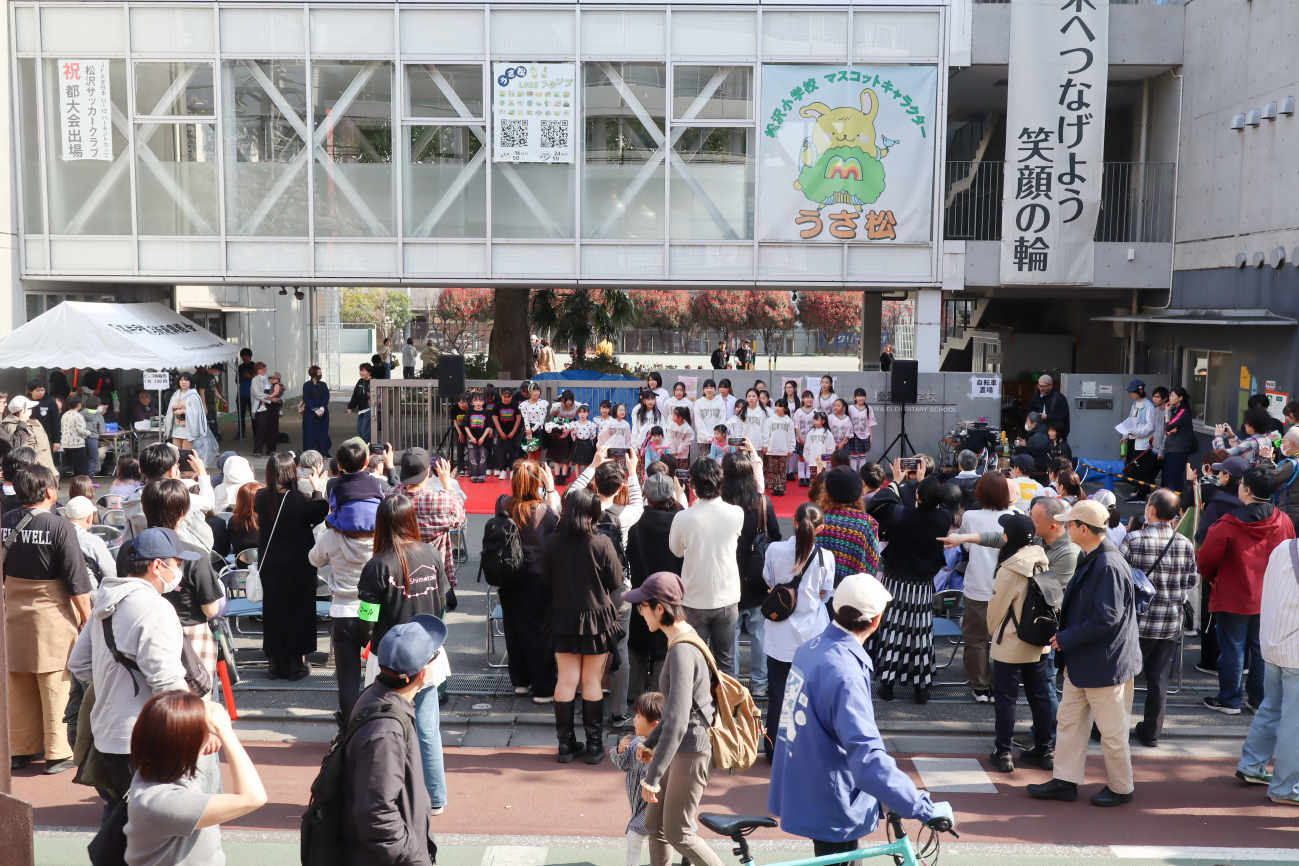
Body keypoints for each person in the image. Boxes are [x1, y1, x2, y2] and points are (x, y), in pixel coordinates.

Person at [768, 572, 953, 855]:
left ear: (835, 608)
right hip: (833, 795)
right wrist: (918, 805)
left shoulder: (811, 649)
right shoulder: (846, 672)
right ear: (877, 620)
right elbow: (866, 756)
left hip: (807, 782)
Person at [68, 528, 202, 803]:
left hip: (106, 734)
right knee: (152, 829)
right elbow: (167, 682)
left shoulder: (105, 602)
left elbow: (78, 663)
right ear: (157, 566)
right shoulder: (155, 608)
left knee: (120, 820)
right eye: (176, 563)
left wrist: (112, 683)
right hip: (144, 738)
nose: (179, 570)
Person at [1028, 500, 1141, 808]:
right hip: (1090, 659)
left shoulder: (1106, 564)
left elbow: (1107, 618)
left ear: (1083, 528)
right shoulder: (1098, 558)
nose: (1065, 528)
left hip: (1104, 661)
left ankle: (1121, 787)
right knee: (1070, 722)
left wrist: (1066, 638)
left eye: (1070, 524)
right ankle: (1065, 779)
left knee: (1111, 730)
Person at [358, 496, 452, 816]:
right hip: (428, 655)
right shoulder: (431, 554)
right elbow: (442, 602)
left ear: (381, 523)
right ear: (411, 520)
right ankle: (436, 797)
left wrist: (362, 642)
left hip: (390, 660)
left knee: (383, 728)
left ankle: (388, 795)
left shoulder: (378, 565)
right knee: (427, 732)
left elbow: (367, 619)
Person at [621, 572, 724, 866]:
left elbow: (678, 719)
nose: (639, 611)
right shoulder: (681, 641)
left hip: (692, 750)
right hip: (682, 747)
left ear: (660, 609)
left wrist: (652, 778)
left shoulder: (681, 651)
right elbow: (674, 714)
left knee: (680, 833)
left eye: (643, 606)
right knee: (656, 827)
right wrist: (651, 742)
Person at [3, 463, 91, 774]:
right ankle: (57, 751)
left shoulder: (5, 523)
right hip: (51, 614)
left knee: (17, 680)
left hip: (13, 613)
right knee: (56, 680)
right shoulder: (60, 527)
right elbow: (76, 581)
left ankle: (20, 748)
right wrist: (87, 618)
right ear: (51, 492)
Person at [341, 616, 442, 865]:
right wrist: (414, 857)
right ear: (423, 674)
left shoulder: (375, 699)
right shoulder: (387, 732)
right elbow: (377, 815)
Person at [124, 692, 267, 865]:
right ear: (186, 744)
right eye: (205, 730)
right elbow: (253, 798)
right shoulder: (163, 802)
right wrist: (226, 732)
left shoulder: (156, 769)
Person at [1198, 463, 1295, 714]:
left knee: (1232, 648)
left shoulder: (1228, 524)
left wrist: (1212, 578)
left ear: (1247, 490)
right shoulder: (1283, 521)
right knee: (1260, 650)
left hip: (1233, 595)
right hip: (1271, 596)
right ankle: (1258, 699)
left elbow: (1205, 560)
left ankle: (1230, 699)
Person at [543, 487, 624, 763]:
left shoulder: (552, 543)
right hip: (597, 618)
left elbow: (544, 579)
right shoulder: (601, 543)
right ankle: (593, 746)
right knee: (592, 680)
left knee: (566, 680)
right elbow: (616, 581)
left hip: (562, 616)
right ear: (592, 515)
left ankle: (565, 746)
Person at [1119, 488, 1199, 746]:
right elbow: (1189, 581)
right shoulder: (1185, 544)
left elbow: (1118, 579)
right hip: (1169, 622)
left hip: (1136, 622)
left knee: (1123, 676)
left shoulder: (1133, 540)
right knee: (1159, 678)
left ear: (1150, 510)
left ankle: (1113, 728)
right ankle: (1152, 732)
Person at [761, 502, 835, 761]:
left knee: (778, 694)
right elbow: (826, 594)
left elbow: (769, 581)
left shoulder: (774, 550)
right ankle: (806, 748)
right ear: (822, 529)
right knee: (811, 694)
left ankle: (773, 749)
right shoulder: (826, 557)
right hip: (813, 634)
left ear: (793, 521)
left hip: (780, 634)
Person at [130, 479, 225, 676]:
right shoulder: (194, 554)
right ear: (182, 514)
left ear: (145, 509)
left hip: (140, 631)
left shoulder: (128, 550)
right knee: (194, 701)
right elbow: (210, 608)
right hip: (191, 635)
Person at [876, 477, 956, 704]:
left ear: (917, 497)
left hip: (896, 580)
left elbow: (880, 502)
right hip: (922, 584)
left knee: (893, 630)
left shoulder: (901, 515)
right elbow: (945, 501)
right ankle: (921, 687)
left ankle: (888, 684)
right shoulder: (943, 518)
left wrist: (899, 481)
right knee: (920, 633)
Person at [985, 512, 1053, 773]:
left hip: (1011, 641)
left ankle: (1003, 752)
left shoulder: (1009, 568)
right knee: (1040, 696)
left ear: (1008, 537)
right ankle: (1045, 749)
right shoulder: (1041, 560)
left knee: (1006, 699)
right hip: (1038, 639)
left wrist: (992, 632)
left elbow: (996, 608)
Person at [1235, 534, 1299, 805]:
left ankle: (1251, 764)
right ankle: (1285, 787)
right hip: (1296, 651)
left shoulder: (1284, 547)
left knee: (1271, 706)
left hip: (1273, 641)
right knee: (1294, 722)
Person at [309, 479, 377, 724]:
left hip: (342, 610)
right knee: (378, 672)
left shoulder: (332, 536)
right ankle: (375, 722)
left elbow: (314, 559)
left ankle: (349, 725)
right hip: (372, 611)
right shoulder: (378, 536)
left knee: (347, 677)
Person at [668, 457, 744, 673]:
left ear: (692, 485)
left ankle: (699, 706)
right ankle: (726, 706)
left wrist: (681, 498)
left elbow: (676, 550)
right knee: (726, 662)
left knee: (696, 662)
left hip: (694, 597)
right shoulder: (736, 513)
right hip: (727, 596)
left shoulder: (684, 517)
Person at [256, 452, 327, 680]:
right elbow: (319, 513)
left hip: (270, 566)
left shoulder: (261, 497)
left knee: (274, 613)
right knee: (297, 613)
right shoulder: (297, 500)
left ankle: (275, 664)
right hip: (297, 567)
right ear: (291, 472)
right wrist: (317, 489)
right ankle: (295, 664)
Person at [499, 461, 562, 702]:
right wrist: (551, 488)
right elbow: (560, 525)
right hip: (539, 579)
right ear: (538, 482)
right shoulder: (544, 512)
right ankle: (543, 686)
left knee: (514, 627)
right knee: (540, 632)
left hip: (509, 576)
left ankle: (520, 680)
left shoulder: (503, 505)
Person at [956, 472, 1015, 703]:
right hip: (1008, 588)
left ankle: (980, 686)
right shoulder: (1015, 515)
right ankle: (1003, 684)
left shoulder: (970, 516)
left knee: (976, 639)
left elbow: (966, 546)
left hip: (978, 586)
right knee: (1007, 638)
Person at [626, 475, 682, 705]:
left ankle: (633, 694)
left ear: (646, 496)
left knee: (638, 646)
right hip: (669, 593)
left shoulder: (636, 524)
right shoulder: (678, 521)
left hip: (642, 592)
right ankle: (659, 698)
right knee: (664, 645)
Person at [394, 448, 467, 591]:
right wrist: (447, 483)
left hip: (401, 571)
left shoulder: (392, 498)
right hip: (434, 573)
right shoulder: (441, 500)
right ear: (428, 472)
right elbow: (459, 517)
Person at [609, 691, 664, 866]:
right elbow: (623, 765)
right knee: (667, 836)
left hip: (654, 803)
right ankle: (688, 856)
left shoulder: (665, 749)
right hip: (638, 801)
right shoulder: (634, 743)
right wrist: (620, 751)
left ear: (654, 725)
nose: (634, 719)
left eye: (639, 716)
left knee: (635, 833)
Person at [814, 465, 882, 584]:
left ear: (827, 491)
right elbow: (872, 563)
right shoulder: (867, 524)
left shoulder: (816, 519)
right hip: (853, 592)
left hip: (818, 589)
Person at [1120, 380, 1157, 502]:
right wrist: (1125, 433)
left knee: (1141, 467)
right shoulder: (1135, 404)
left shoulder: (1149, 406)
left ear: (1140, 391)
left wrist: (1136, 432)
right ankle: (1137, 488)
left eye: (1133, 392)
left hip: (1142, 442)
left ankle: (1142, 493)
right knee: (1132, 466)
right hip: (1132, 439)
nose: (1131, 394)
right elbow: (1131, 420)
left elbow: (1150, 427)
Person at [2, 395, 56, 473]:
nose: (31, 410)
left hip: (48, 470)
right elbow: (20, 448)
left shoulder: (35, 422)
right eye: (29, 408)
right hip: (33, 474)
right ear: (22, 410)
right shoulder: (10, 425)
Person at [164, 373, 208, 452]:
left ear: (190, 382)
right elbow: (169, 411)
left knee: (185, 454)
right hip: (176, 428)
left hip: (188, 430)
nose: (183, 382)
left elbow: (197, 413)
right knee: (175, 453)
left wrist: (184, 411)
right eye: (181, 380)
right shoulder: (175, 394)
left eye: (186, 380)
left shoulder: (194, 395)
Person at [300, 364, 332, 455]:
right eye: (319, 372)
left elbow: (326, 397)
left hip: (323, 413)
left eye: (320, 372)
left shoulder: (323, 385)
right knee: (309, 433)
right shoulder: (307, 385)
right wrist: (315, 409)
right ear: (313, 373)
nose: (320, 374)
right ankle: (309, 453)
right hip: (310, 414)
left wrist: (322, 408)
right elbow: (306, 399)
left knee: (323, 433)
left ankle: (324, 451)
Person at [1028, 374, 1070, 440]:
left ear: (1051, 386)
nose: (1041, 388)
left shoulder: (1059, 398)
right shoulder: (1035, 397)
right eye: (1039, 386)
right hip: (1038, 435)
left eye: (1043, 386)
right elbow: (1030, 413)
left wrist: (1047, 417)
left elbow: (1062, 418)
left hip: (1055, 436)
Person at [60, 394, 93, 477]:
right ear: (79, 405)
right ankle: (83, 481)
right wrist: (89, 433)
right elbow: (80, 430)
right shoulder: (78, 415)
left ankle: (58, 474)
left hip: (66, 444)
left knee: (68, 465)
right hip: (77, 445)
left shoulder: (64, 415)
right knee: (81, 467)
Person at [82, 395, 107, 477]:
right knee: (93, 458)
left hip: (81, 439)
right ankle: (90, 478)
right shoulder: (99, 415)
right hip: (93, 439)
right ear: (98, 406)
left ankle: (82, 478)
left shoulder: (80, 413)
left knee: (83, 458)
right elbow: (102, 431)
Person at [235, 348, 256, 441]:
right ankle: (241, 433)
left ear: (250, 357)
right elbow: (236, 380)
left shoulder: (255, 366)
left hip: (253, 394)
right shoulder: (240, 367)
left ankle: (257, 433)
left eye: (246, 356)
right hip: (241, 394)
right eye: (243, 357)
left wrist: (250, 376)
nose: (244, 358)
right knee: (241, 415)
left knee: (254, 415)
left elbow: (258, 379)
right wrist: (244, 377)